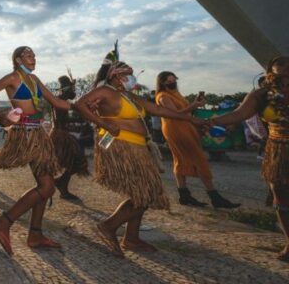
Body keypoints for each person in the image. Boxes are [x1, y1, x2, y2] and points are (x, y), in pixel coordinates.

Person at [73, 48, 206, 258]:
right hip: (121, 146)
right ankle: (108, 226)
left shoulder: (129, 95)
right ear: (115, 76)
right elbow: (79, 104)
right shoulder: (106, 91)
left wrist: (190, 117)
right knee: (146, 193)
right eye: (128, 74)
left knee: (141, 192)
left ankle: (131, 238)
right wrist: (103, 124)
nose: (131, 78)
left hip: (138, 147)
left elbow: (159, 110)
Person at [0, 46, 72, 256]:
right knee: (47, 187)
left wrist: (81, 106)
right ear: (18, 59)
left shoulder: (35, 80)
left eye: (34, 55)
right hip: (26, 133)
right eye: (29, 55)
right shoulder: (11, 78)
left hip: (39, 131)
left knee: (45, 185)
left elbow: (56, 102)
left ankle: (35, 234)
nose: (34, 58)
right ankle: (5, 221)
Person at [207, 56, 289, 262]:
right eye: (281, 68)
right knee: (281, 196)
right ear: (271, 71)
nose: (286, 72)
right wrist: (209, 121)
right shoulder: (261, 95)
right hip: (279, 149)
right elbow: (238, 114)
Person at [155, 71, 240, 208]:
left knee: (181, 160)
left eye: (174, 80)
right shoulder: (163, 96)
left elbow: (186, 111)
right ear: (163, 83)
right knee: (198, 158)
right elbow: (173, 114)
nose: (172, 83)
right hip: (176, 129)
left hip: (184, 127)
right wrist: (193, 106)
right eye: (169, 81)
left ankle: (184, 195)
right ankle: (214, 196)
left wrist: (194, 105)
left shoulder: (176, 94)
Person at [51, 75, 89, 201]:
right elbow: (61, 119)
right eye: (70, 89)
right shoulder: (59, 99)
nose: (73, 93)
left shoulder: (62, 98)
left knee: (76, 163)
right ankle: (61, 186)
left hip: (63, 134)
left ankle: (61, 184)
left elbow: (72, 95)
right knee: (75, 162)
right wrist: (79, 117)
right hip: (60, 135)